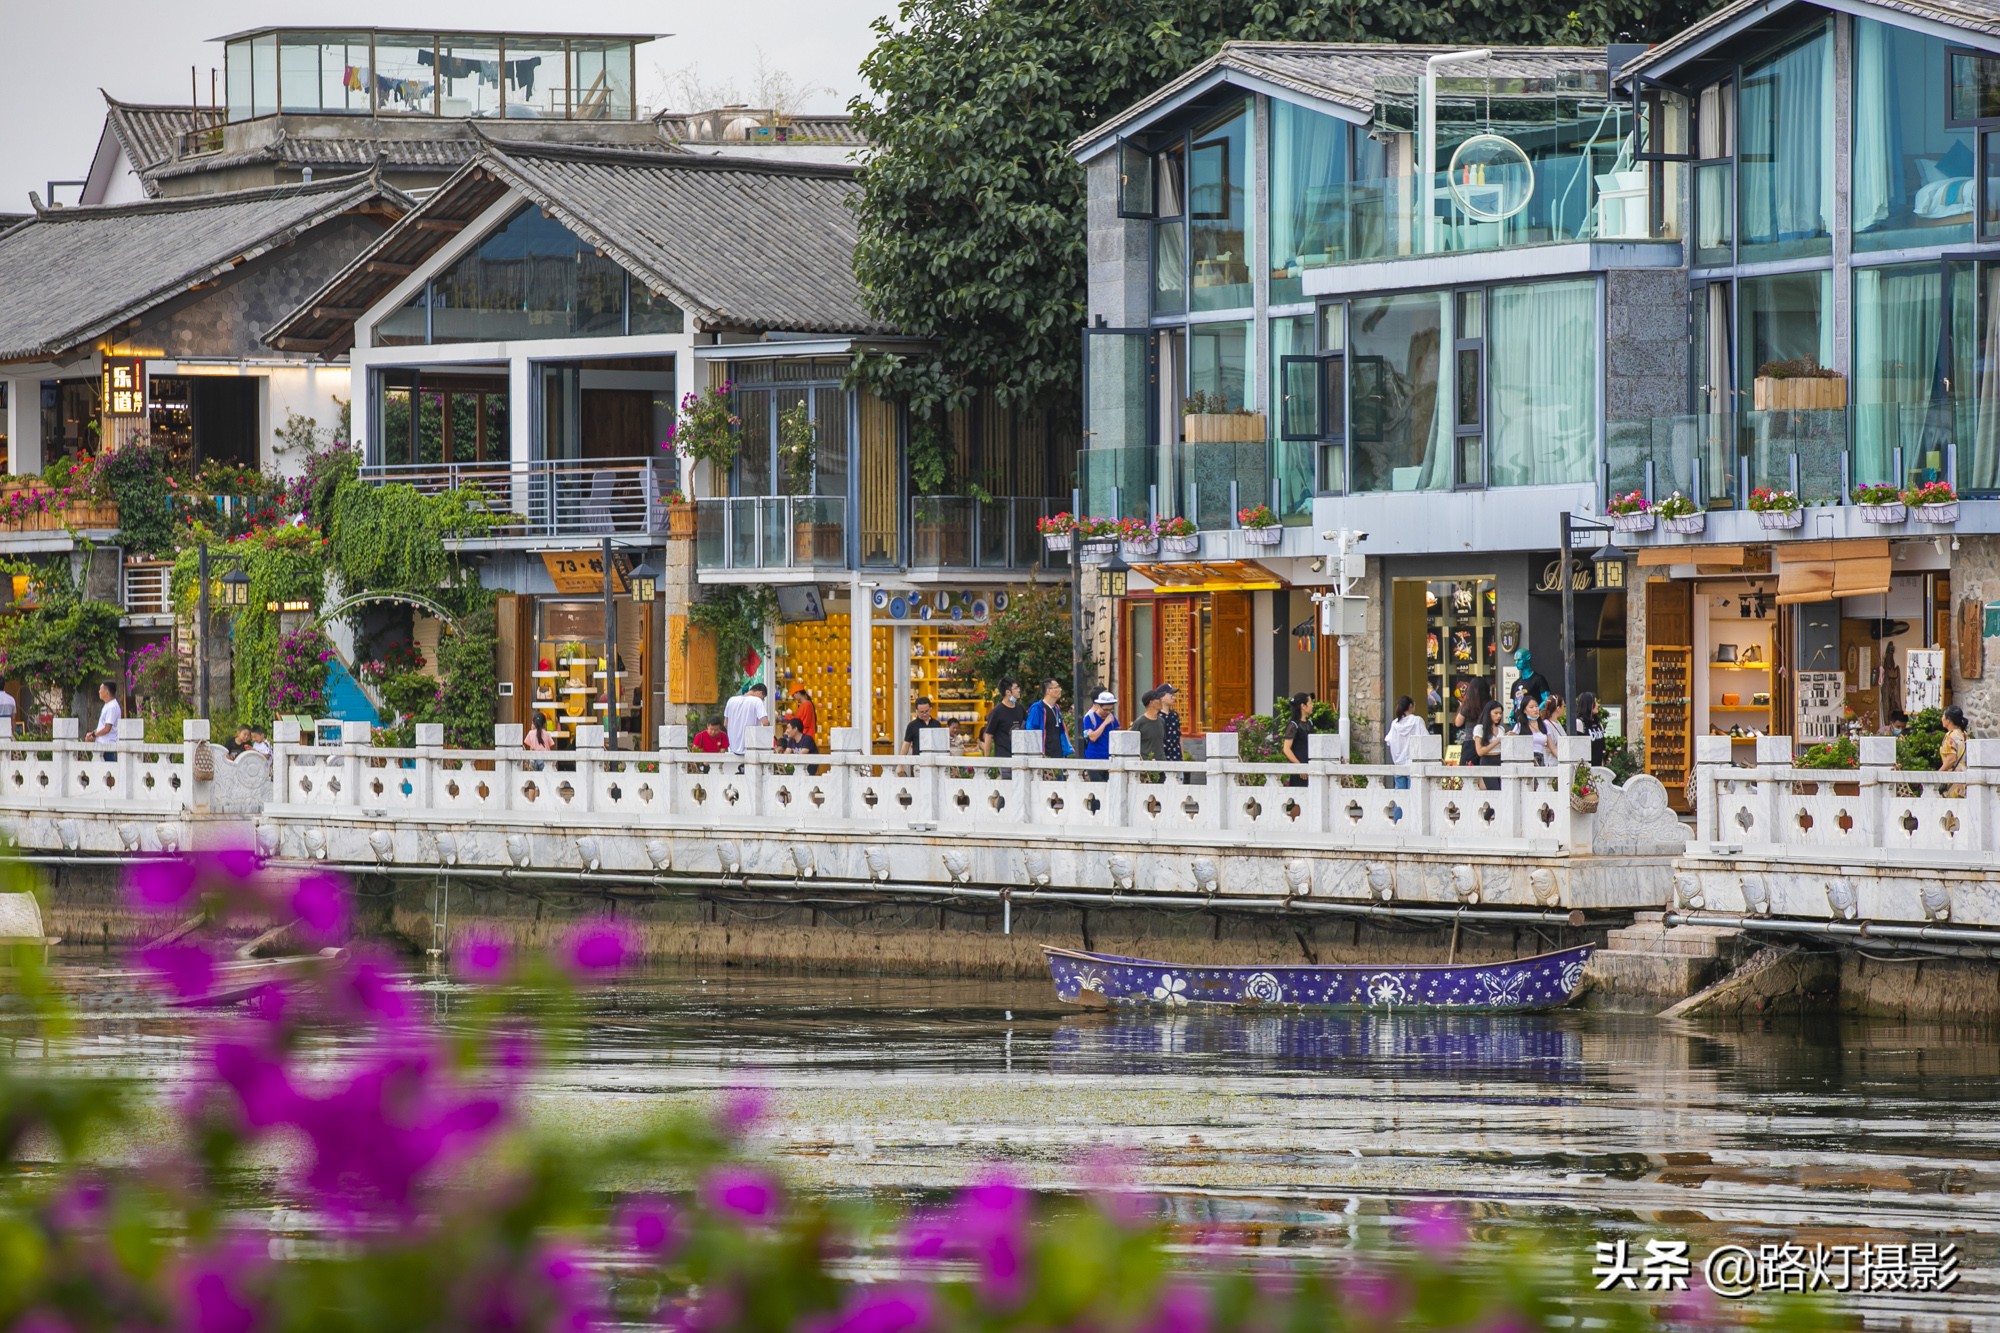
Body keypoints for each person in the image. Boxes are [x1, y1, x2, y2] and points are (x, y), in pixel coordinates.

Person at [1383, 694, 1427, 789]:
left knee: (1400, 798)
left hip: (1399, 765)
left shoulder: (1395, 724)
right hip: (1414, 765)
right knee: (1413, 798)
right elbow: (1426, 740)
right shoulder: (1417, 721)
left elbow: (1389, 741)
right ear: (1411, 706)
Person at [1024, 679, 1072, 760]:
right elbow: (1030, 730)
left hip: (1058, 754)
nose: (1060, 689)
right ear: (1048, 691)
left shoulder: (1056, 708)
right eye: (1057, 687)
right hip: (1045, 756)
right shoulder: (1038, 708)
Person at [982, 679, 1026, 759]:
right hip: (1003, 757)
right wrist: (987, 760)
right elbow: (988, 735)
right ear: (1008, 692)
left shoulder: (1020, 708)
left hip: (1019, 755)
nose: (1019, 690)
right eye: (1016, 688)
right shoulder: (997, 711)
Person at [722, 683, 770, 757]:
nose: (762, 700)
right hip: (750, 748)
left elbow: (725, 724)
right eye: (763, 698)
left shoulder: (731, 700)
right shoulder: (757, 701)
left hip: (733, 749)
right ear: (761, 693)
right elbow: (765, 723)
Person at [1080, 690, 1119, 779]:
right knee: (1098, 787)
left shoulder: (1112, 718)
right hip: (1094, 758)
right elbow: (1092, 737)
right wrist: (1105, 723)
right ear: (1098, 706)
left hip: (1109, 759)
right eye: (1105, 709)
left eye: (1110, 709)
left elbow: (1117, 734)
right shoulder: (1090, 718)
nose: (1108, 712)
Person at [1515, 694, 1560, 767]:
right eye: (1531, 707)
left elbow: (1553, 748)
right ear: (1524, 710)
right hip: (1526, 761)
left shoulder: (1544, 725)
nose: (1535, 709)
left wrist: (1564, 759)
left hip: (1541, 760)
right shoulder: (1519, 726)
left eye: (1536, 706)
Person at [1281, 691, 1314, 787]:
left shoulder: (1310, 723)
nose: (1312, 706)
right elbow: (1286, 749)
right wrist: (1299, 766)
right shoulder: (1293, 725)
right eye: (1310, 703)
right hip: (1300, 768)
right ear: (1303, 706)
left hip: (1311, 767)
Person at [1471, 699, 1506, 791]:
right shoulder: (1480, 728)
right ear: (1488, 713)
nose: (1499, 716)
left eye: (1500, 713)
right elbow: (1480, 751)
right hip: (1488, 760)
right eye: (1496, 713)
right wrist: (1497, 741)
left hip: (1501, 760)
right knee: (1494, 789)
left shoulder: (1501, 729)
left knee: (1504, 789)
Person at [1508, 649, 1549, 727]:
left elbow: (1546, 700)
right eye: (1515, 660)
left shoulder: (1538, 679)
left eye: (1519, 660)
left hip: (1534, 723)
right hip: (1519, 723)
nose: (1516, 663)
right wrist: (1511, 715)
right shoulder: (1515, 684)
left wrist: (1534, 712)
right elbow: (1515, 705)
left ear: (1527, 658)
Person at [1133, 686, 1168, 763]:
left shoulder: (1161, 721)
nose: (1161, 701)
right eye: (1158, 699)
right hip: (1146, 766)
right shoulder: (1139, 722)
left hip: (1161, 764)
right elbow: (1131, 744)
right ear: (1151, 703)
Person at [1573, 692, 1607, 768]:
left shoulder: (1598, 723)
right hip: (1586, 766)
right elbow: (1578, 748)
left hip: (1598, 765)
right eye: (1595, 702)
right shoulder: (1579, 723)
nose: (1598, 705)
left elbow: (1602, 746)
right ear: (1588, 705)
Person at [1941, 705, 1969, 798]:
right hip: (1965, 776)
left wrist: (1939, 772)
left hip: (1954, 779)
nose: (1942, 719)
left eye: (1943, 716)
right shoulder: (1964, 734)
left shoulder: (1950, 736)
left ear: (1948, 719)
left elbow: (1951, 759)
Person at [85, 682, 122, 749]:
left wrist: (93, 735)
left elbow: (107, 729)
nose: (99, 691)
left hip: (107, 746)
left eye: (100, 689)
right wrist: (92, 733)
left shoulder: (112, 706)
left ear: (106, 692)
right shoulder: (107, 705)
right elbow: (102, 726)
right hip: (102, 745)